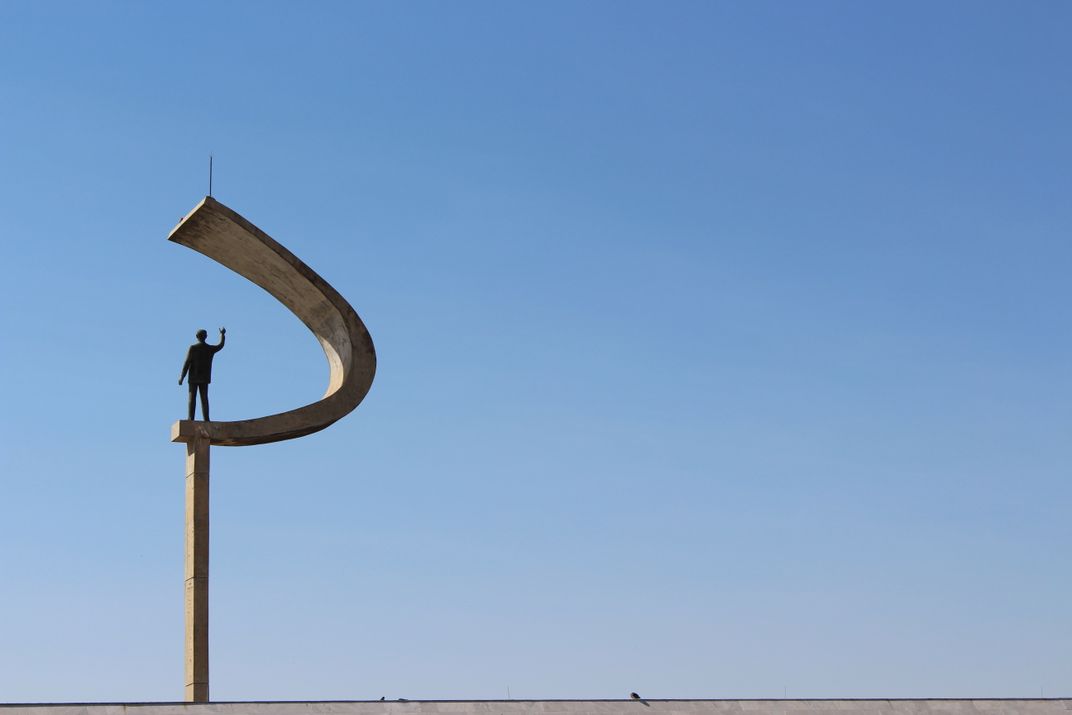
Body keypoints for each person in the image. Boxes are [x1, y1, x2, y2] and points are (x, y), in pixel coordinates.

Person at [179, 328, 226, 421]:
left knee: (192, 398)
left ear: (197, 337)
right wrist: (222, 335)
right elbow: (220, 345)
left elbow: (187, 363)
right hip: (204, 377)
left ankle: (190, 418)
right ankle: (206, 418)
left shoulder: (193, 348)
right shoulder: (209, 349)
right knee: (204, 398)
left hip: (193, 377)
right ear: (206, 336)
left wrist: (182, 377)